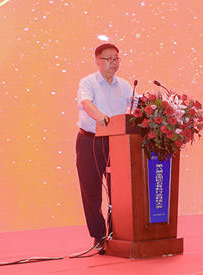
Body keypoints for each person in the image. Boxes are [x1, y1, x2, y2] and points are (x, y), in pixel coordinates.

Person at [76, 43, 133, 250]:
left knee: (119, 191)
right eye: (109, 59)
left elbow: (137, 105)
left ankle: (115, 233)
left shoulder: (125, 85)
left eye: (116, 59)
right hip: (89, 141)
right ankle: (99, 236)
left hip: (116, 143)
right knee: (91, 191)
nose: (114, 63)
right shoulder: (88, 82)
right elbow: (86, 103)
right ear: (97, 61)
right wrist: (100, 116)